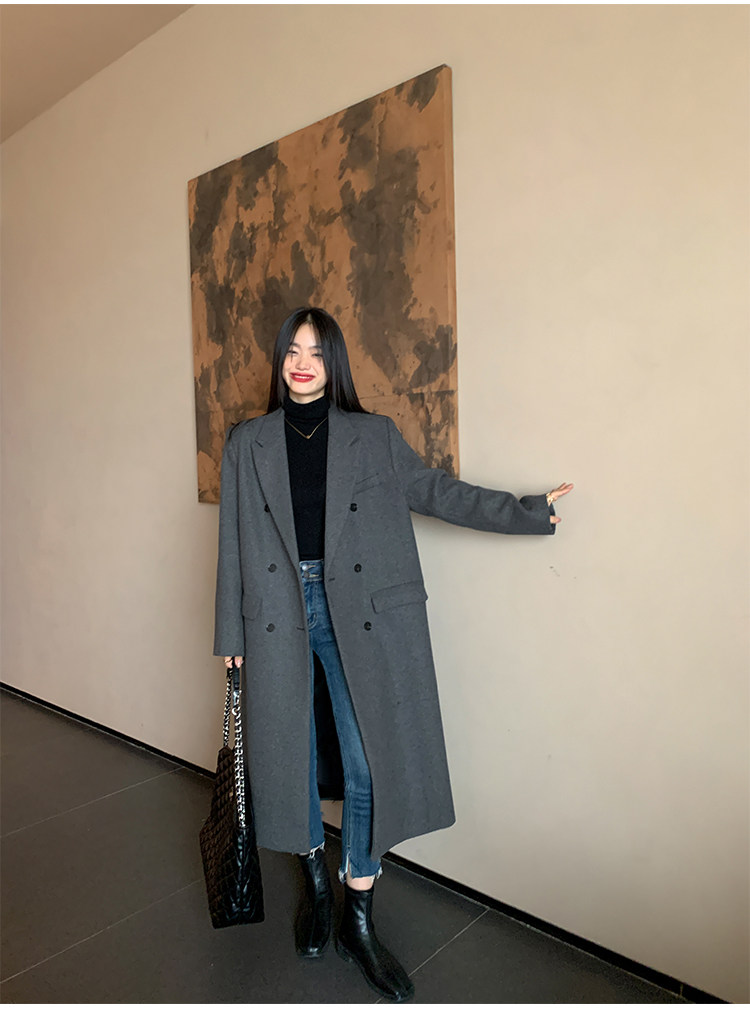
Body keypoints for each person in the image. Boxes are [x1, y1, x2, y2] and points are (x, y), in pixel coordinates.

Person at [213, 307, 573, 1001]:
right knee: (288, 760)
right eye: (293, 350)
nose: (302, 363)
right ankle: (315, 887)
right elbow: (231, 541)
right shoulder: (247, 442)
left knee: (368, 763)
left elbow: (434, 489)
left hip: (360, 614)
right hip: (276, 615)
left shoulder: (371, 436)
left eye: (316, 352)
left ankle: (358, 914)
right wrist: (229, 636)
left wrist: (527, 511)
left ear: (334, 362)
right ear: (280, 359)